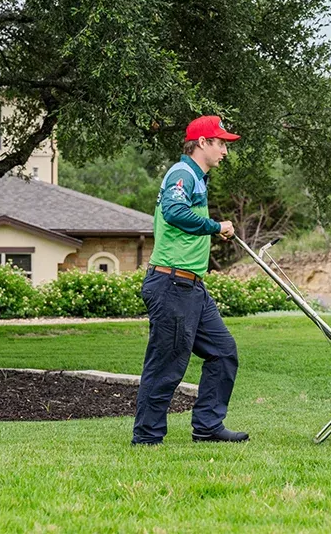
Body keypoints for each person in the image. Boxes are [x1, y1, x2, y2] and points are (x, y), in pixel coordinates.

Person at [131, 115, 248, 445]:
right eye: (221, 143)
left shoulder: (197, 178)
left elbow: (185, 219)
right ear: (202, 143)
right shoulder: (183, 174)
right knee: (167, 364)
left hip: (191, 285)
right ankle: (147, 437)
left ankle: (208, 426)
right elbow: (174, 212)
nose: (225, 150)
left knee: (223, 352)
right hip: (171, 284)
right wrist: (214, 226)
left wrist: (212, 232)